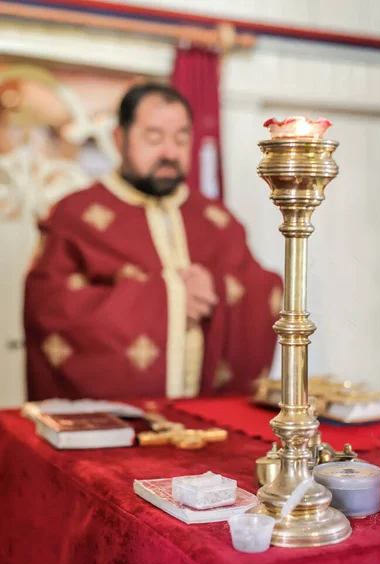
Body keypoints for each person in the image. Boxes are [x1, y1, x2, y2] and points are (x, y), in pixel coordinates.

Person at [24, 83, 283, 401]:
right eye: (154, 137)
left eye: (181, 138)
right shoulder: (74, 215)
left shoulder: (217, 220)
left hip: (207, 424)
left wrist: (215, 288)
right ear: (120, 139)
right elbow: (49, 309)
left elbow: (259, 290)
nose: (170, 153)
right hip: (111, 427)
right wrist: (171, 297)